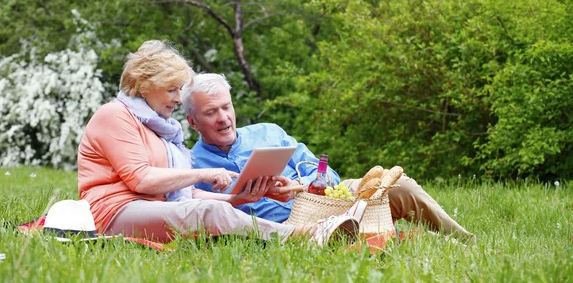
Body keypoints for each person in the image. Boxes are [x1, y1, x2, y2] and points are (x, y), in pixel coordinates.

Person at [77, 40, 361, 246]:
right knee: (211, 212)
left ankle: (331, 225)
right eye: (171, 89)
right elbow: (141, 179)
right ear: (145, 85)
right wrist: (203, 174)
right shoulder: (115, 114)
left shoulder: (158, 129)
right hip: (112, 211)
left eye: (179, 90)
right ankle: (306, 236)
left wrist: (237, 199)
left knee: (216, 208)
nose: (177, 98)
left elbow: (185, 194)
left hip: (150, 206)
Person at [183, 73, 475, 242]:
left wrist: (297, 186)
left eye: (226, 107)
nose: (224, 119)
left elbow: (327, 174)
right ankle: (428, 242)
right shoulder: (192, 166)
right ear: (193, 122)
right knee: (373, 235)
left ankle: (465, 240)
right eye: (211, 112)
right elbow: (200, 215)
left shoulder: (268, 132)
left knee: (400, 186)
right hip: (293, 227)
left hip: (325, 197)